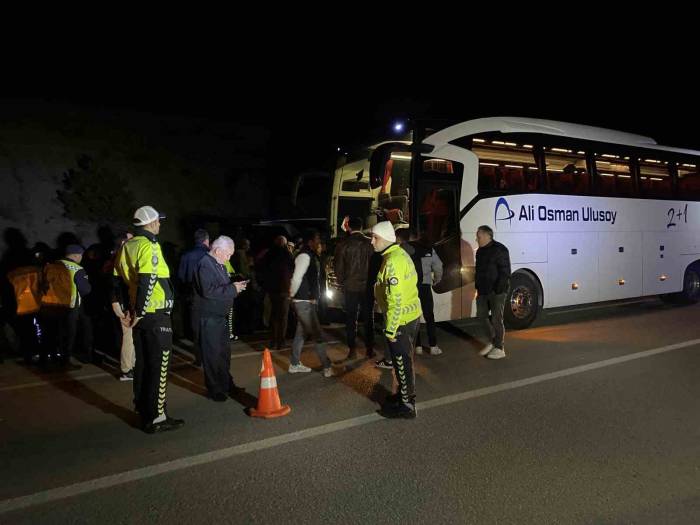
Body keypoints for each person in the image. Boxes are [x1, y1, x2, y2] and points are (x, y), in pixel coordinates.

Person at [113, 205, 184, 433]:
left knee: (142, 365)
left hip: (140, 316)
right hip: (155, 315)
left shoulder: (127, 246)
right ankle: (157, 417)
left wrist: (126, 310)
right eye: (158, 221)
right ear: (151, 223)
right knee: (159, 365)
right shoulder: (149, 245)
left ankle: (144, 410)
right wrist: (141, 310)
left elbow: (116, 282)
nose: (160, 224)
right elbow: (148, 279)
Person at [370, 221, 422, 419]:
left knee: (401, 363)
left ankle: (407, 405)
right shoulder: (397, 255)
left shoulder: (393, 261)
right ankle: (403, 396)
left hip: (401, 321)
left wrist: (391, 330)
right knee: (404, 361)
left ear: (386, 238)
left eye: (375, 238)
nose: (372, 242)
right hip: (410, 317)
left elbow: (396, 300)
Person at [193, 236, 247, 401]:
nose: (229, 258)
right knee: (212, 355)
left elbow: (222, 288)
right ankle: (215, 389)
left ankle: (226, 384)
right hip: (209, 317)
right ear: (217, 250)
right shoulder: (205, 264)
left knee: (223, 354)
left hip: (219, 317)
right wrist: (232, 289)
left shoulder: (218, 264)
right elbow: (208, 291)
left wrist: (235, 288)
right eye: (228, 254)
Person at [288, 229, 333, 377]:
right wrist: (292, 294)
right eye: (317, 239)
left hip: (305, 300)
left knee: (301, 333)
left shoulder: (311, 256)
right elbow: (296, 278)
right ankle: (326, 366)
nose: (319, 242)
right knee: (318, 335)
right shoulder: (304, 256)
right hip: (303, 301)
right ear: (310, 242)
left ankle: (294, 364)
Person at [39, 244, 91, 369]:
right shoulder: (77, 269)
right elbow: (85, 290)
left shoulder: (51, 265)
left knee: (49, 334)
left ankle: (45, 361)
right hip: (68, 307)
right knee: (67, 335)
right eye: (81, 256)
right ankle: (64, 362)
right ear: (76, 255)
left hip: (48, 305)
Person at [397, 229, 444, 356]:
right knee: (429, 316)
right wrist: (436, 280)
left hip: (411, 287)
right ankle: (433, 346)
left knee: (414, 316)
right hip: (425, 286)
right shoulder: (429, 249)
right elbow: (438, 266)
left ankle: (417, 346)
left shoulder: (404, 248)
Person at [334, 216, 374, 360]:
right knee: (369, 317)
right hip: (368, 286)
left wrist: (341, 282)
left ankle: (352, 350)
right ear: (362, 227)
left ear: (349, 227)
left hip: (350, 286)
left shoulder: (343, 244)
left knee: (351, 318)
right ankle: (370, 349)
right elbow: (376, 265)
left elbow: (338, 268)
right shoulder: (370, 243)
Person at [475, 225, 511, 360]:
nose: (476, 239)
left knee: (496, 318)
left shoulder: (500, 250)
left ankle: (500, 348)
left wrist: (498, 290)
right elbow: (479, 271)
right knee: (481, 316)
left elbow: (505, 272)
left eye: (478, 236)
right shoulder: (480, 251)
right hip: (483, 291)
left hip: (497, 291)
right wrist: (478, 287)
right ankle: (493, 341)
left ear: (487, 236)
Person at [177, 228, 210, 366]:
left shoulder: (186, 256)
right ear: (206, 240)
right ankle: (210, 357)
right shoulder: (211, 255)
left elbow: (181, 277)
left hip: (193, 297)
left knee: (196, 329)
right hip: (210, 297)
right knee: (210, 328)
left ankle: (199, 359)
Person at [110, 232, 136, 381]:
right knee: (129, 337)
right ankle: (127, 370)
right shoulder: (119, 259)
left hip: (127, 303)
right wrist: (117, 304)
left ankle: (131, 366)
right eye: (131, 239)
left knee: (131, 337)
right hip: (125, 304)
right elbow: (114, 284)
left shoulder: (122, 258)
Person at [262, 236, 294, 349]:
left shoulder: (269, 254)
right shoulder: (287, 255)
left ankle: (273, 340)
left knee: (274, 315)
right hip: (284, 289)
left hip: (272, 289)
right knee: (283, 316)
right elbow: (292, 271)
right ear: (285, 244)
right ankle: (281, 341)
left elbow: (263, 270)